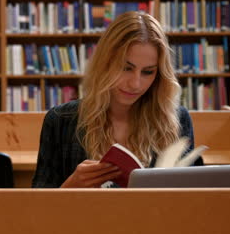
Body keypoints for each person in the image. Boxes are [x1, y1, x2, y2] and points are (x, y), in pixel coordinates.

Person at [32, 11, 202, 188]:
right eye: (126, 68)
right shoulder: (61, 120)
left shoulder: (176, 120)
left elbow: (195, 200)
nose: (135, 84)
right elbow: (38, 209)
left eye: (148, 72)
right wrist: (70, 187)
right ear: (105, 63)